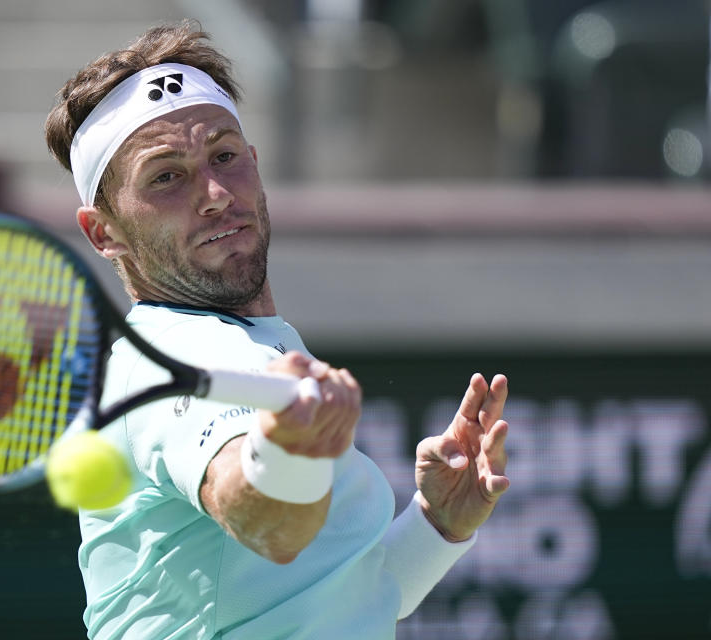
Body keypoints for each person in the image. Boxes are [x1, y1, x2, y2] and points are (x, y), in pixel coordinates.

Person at [45, 20, 510, 640]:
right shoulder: (162, 357)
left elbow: (347, 601)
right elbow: (266, 522)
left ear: (255, 167)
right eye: (166, 177)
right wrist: (287, 452)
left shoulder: (258, 341)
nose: (214, 193)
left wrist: (437, 526)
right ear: (103, 232)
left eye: (225, 156)